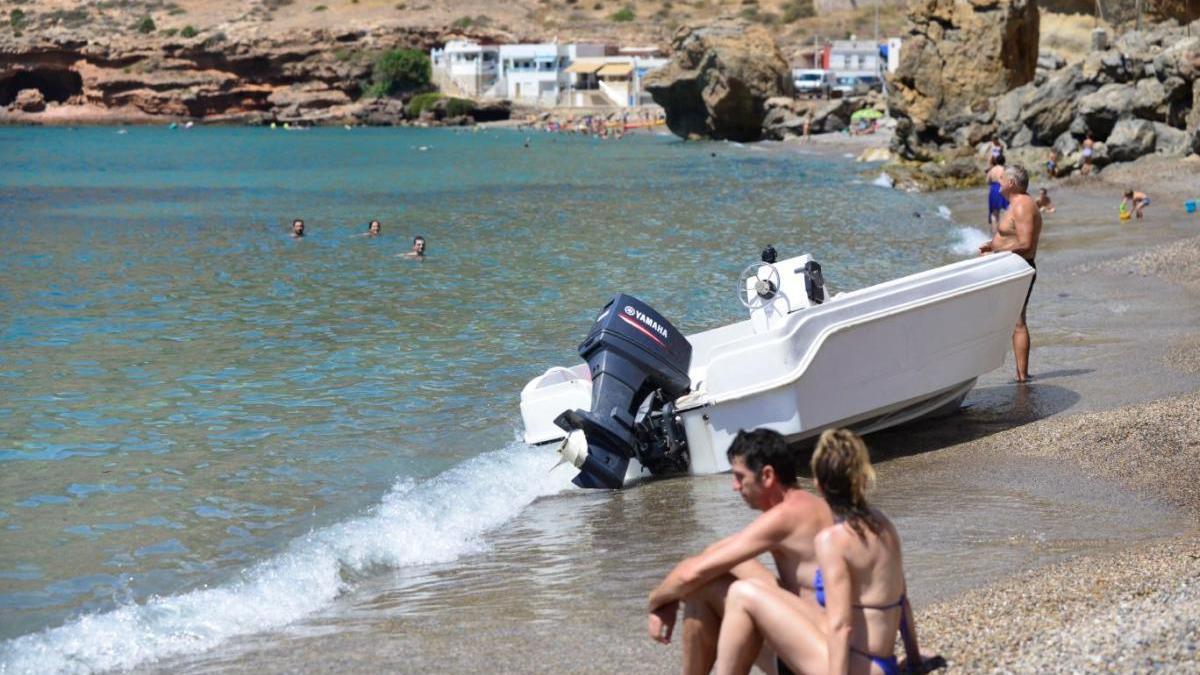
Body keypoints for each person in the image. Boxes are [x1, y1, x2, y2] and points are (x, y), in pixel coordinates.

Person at [714, 429, 931, 675]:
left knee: (741, 593)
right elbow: (902, 601)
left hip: (855, 668)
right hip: (885, 665)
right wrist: (914, 661)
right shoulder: (883, 524)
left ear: (817, 484)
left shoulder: (832, 540)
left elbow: (840, 626)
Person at [648, 429, 834, 675]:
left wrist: (655, 604)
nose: (735, 487)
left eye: (739, 477)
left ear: (767, 476)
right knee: (719, 570)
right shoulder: (811, 505)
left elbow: (690, 575)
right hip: (820, 639)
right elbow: (711, 556)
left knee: (705, 587)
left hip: (821, 659)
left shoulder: (785, 516)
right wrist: (669, 599)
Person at [979, 164, 1042, 383]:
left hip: (1019, 268)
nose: (999, 182)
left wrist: (996, 251)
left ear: (1012, 183)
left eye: (1002, 179)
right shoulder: (1015, 204)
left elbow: (1025, 243)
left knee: (1018, 322)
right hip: (1011, 267)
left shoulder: (1023, 205)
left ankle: (1022, 376)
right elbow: (1012, 237)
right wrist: (992, 245)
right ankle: (1019, 373)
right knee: (1012, 320)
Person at [986, 156, 1009, 231]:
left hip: (993, 189)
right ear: (1004, 161)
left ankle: (994, 233)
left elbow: (988, 181)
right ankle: (1005, 231)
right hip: (1002, 188)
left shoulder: (992, 170)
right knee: (1007, 210)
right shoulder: (1004, 169)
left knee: (994, 213)